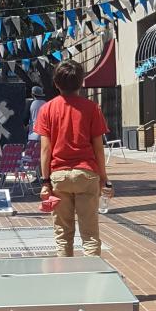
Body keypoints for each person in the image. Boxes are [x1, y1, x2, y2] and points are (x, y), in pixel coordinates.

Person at [36, 61, 109, 257]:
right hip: (86, 173)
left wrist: (45, 181)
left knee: (63, 235)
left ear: (56, 83)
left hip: (59, 175)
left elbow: (45, 149)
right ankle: (93, 280)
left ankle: (66, 279)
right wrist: (104, 178)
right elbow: (98, 148)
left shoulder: (47, 109)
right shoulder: (92, 108)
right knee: (90, 235)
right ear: (81, 82)